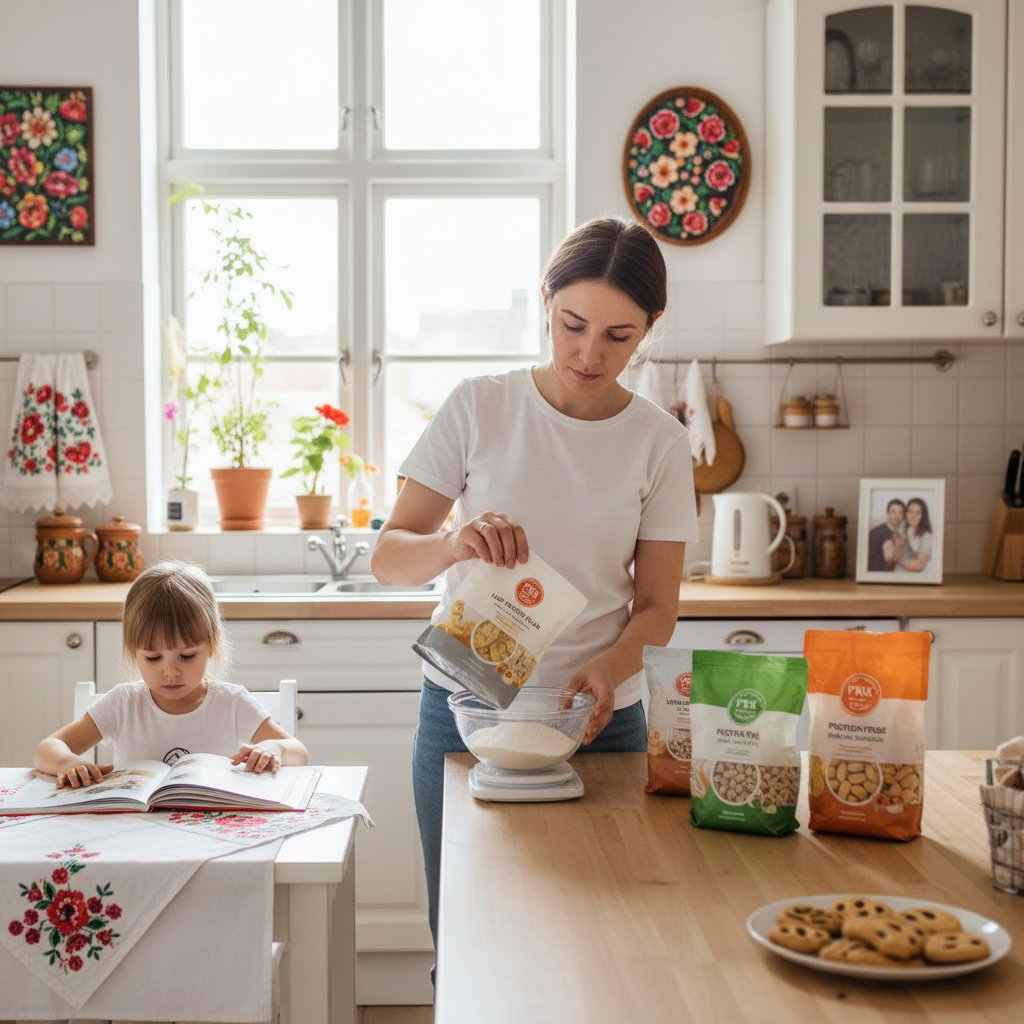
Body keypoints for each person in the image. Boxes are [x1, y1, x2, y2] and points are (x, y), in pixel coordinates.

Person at [371, 216, 699, 950]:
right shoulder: (480, 406)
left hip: (602, 720)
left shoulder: (661, 443)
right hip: (466, 706)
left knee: (604, 944)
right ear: (546, 300)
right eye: (572, 324)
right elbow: (389, 556)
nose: (589, 353)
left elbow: (657, 606)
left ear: (651, 327)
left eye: (619, 336)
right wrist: (454, 543)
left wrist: (611, 668)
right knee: (465, 939)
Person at [34, 559, 308, 789]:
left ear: (212, 644)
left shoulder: (232, 703)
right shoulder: (123, 704)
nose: (170, 671)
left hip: (213, 833)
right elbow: (47, 748)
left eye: (186, 656)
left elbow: (297, 750)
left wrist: (275, 749)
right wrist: (67, 762)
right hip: (132, 831)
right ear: (135, 651)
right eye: (153, 658)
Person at [866, 498, 906, 571]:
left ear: (904, 516)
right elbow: (872, 563)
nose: (897, 516)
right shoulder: (875, 532)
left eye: (900, 513)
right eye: (893, 512)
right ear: (887, 513)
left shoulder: (902, 534)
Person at [896, 497, 934, 573]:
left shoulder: (927, 536)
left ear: (922, 516)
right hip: (897, 573)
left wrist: (897, 562)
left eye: (917, 513)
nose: (913, 516)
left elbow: (919, 565)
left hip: (916, 575)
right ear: (905, 513)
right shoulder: (900, 530)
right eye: (910, 512)